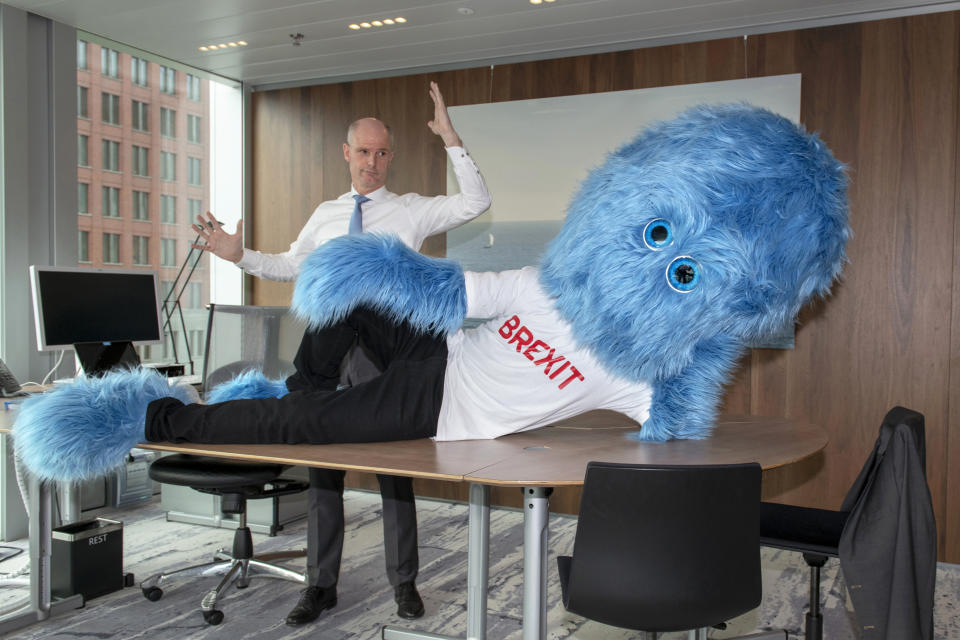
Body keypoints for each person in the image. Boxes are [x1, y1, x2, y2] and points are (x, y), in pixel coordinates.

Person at [190, 82, 491, 626]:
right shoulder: (327, 214)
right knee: (323, 469)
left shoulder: (410, 211)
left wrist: (450, 137)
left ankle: (405, 583)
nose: (372, 162)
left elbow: (476, 202)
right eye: (363, 151)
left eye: (381, 153)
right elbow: (289, 265)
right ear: (346, 154)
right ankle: (319, 586)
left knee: (394, 475)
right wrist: (240, 257)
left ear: (390, 158)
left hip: (386, 359)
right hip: (330, 355)